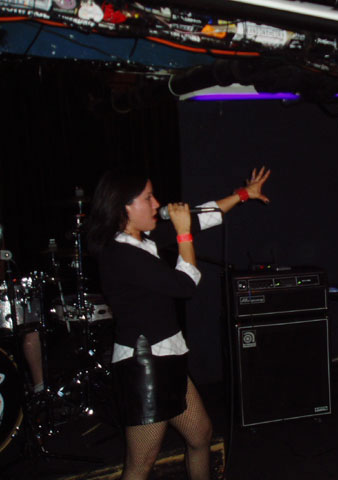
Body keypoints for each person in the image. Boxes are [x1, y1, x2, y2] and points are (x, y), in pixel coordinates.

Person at [86, 166, 270, 480]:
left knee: (201, 435)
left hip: (168, 358)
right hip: (145, 366)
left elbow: (201, 217)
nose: (157, 203)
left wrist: (243, 195)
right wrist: (183, 235)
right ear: (124, 206)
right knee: (141, 463)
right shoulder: (120, 254)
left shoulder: (142, 240)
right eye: (148, 198)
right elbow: (185, 285)